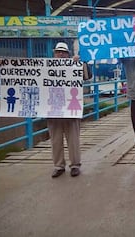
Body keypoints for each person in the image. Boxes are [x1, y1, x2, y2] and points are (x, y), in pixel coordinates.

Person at [48, 42, 85, 178]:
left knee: (73, 140)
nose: (60, 54)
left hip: (71, 110)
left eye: (63, 52)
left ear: (68, 54)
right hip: (53, 110)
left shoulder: (75, 65)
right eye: (58, 52)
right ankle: (58, 166)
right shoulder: (46, 67)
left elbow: (87, 76)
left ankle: (75, 165)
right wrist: (4, 64)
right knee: (55, 141)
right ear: (54, 54)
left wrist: (79, 63)